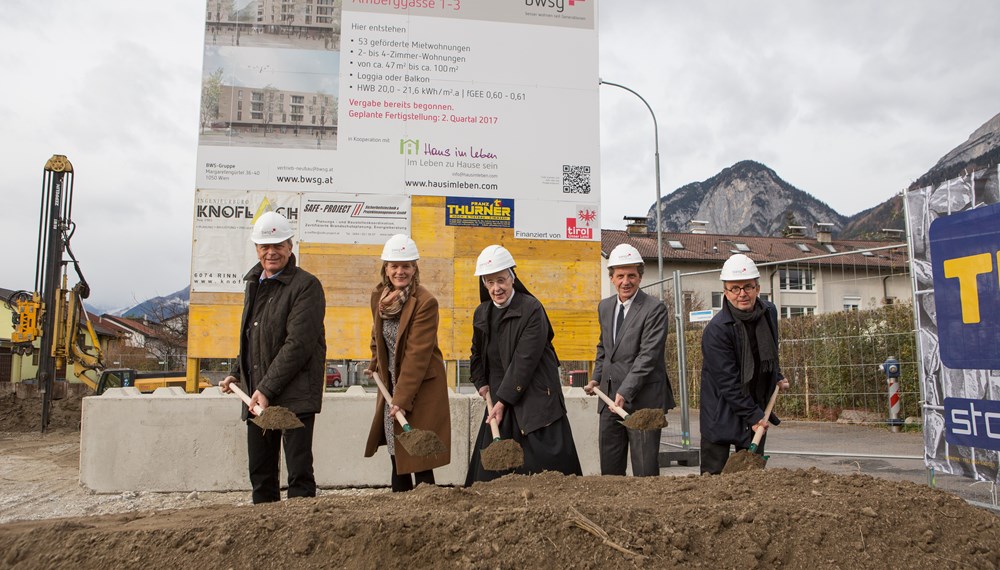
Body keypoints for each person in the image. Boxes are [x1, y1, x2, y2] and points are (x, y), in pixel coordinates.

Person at [220, 211, 326, 503]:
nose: (271, 252)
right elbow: (252, 337)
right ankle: (264, 538)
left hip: (294, 396)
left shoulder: (306, 286)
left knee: (299, 475)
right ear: (256, 249)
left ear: (290, 247)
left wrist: (265, 389)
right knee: (261, 474)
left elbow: (298, 345)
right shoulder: (254, 284)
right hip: (258, 396)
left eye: (278, 245)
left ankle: (302, 538)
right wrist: (237, 373)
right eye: (265, 246)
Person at [465, 244, 582, 484]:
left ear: (512, 278)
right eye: (490, 282)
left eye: (501, 280)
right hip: (500, 397)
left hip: (536, 398)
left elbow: (524, 360)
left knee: (545, 471)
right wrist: (480, 382)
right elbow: (476, 353)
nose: (496, 288)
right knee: (492, 473)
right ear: (484, 284)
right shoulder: (482, 313)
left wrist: (504, 400)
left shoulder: (532, 309)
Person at [364, 234, 451, 492]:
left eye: (406, 265)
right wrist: (374, 362)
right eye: (394, 265)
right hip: (391, 383)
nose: (400, 271)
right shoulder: (380, 297)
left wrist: (401, 396)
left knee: (419, 455)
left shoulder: (425, 302)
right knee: (396, 449)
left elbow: (417, 354)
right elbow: (377, 336)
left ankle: (428, 511)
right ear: (386, 269)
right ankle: (398, 511)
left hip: (420, 385)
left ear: (415, 268)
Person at [585, 243, 675, 476]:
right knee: (611, 472)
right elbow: (604, 348)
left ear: (640, 277)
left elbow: (648, 357)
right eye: (621, 276)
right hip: (609, 402)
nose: (626, 281)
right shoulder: (605, 307)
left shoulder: (654, 309)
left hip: (643, 401)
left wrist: (624, 392)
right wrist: (596, 379)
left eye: (632, 275)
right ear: (612, 278)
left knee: (645, 472)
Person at [700, 253, 788, 475]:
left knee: (750, 479)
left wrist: (776, 375)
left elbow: (767, 354)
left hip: (755, 402)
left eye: (748, 287)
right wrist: (755, 416)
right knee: (714, 476)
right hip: (721, 408)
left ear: (758, 288)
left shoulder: (768, 312)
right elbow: (727, 383)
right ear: (726, 292)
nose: (742, 294)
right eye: (735, 288)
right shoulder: (717, 330)